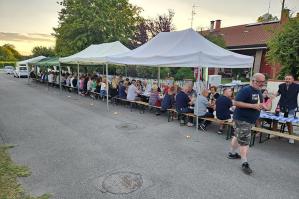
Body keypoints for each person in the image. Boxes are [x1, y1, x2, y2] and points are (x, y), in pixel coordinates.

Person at [227, 73, 265, 175]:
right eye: (260, 82)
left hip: (248, 120)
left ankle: (232, 153)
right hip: (242, 119)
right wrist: (253, 106)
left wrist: (264, 105)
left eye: (263, 82)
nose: (262, 84)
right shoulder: (246, 90)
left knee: (237, 136)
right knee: (245, 142)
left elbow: (259, 104)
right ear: (253, 80)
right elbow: (236, 102)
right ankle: (245, 163)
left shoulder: (258, 91)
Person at [273, 74, 299, 144]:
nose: (287, 80)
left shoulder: (297, 86)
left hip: (291, 106)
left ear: (293, 80)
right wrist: (274, 95)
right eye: (286, 79)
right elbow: (278, 92)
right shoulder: (281, 85)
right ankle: (273, 133)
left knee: (288, 121)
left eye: (289, 79)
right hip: (281, 105)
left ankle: (291, 137)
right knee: (275, 118)